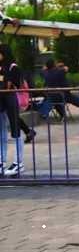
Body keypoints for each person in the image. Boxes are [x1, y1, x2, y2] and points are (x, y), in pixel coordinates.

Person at [0, 44, 25, 176]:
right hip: (1, 101)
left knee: (15, 131)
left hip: (10, 99)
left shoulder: (13, 67)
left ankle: (18, 162)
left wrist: (8, 81)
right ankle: (1, 160)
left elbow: (18, 84)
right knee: (1, 132)